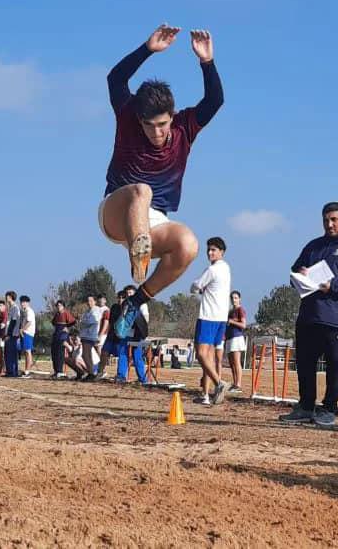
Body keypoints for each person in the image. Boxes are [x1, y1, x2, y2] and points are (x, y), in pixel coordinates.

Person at [98, 24, 224, 338]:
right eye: (149, 126)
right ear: (138, 120)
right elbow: (115, 79)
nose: (157, 133)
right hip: (118, 207)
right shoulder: (127, 117)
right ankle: (137, 257)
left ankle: (136, 302)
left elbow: (214, 101)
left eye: (163, 124)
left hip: (155, 222)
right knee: (142, 191)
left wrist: (206, 63)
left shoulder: (185, 128)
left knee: (188, 244)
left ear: (172, 115)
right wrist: (147, 49)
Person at [281, 202, 338, 427]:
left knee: (335, 366)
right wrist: (299, 275)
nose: (329, 224)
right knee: (305, 364)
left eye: (334, 220)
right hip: (309, 316)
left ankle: (329, 409)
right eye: (326, 220)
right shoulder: (313, 246)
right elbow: (293, 272)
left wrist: (333, 285)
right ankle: (306, 406)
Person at [190, 236, 231, 406]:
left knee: (201, 354)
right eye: (209, 250)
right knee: (208, 357)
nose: (210, 253)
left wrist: (197, 288)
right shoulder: (226, 268)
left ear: (222, 252)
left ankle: (219, 383)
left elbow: (196, 286)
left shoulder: (212, 269)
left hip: (208, 316)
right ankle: (205, 395)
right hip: (221, 317)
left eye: (214, 250)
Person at [106, 286, 150, 384]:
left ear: (135, 293)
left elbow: (146, 319)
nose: (129, 295)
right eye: (127, 293)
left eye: (131, 293)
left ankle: (142, 379)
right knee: (123, 354)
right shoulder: (125, 304)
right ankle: (121, 376)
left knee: (137, 356)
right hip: (125, 333)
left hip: (137, 334)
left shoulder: (142, 304)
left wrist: (142, 333)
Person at [224, 291, 247, 393]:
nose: (234, 300)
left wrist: (232, 321)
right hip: (229, 338)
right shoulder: (230, 312)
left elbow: (243, 325)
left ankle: (238, 384)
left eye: (236, 298)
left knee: (236, 361)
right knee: (231, 363)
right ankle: (234, 383)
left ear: (239, 299)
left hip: (237, 338)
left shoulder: (240, 310)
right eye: (232, 298)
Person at [78, 295, 105, 381]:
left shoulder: (97, 310)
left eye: (90, 301)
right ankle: (91, 373)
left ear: (95, 301)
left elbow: (92, 321)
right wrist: (83, 322)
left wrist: (83, 322)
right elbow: (81, 321)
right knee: (87, 355)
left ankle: (92, 373)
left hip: (91, 336)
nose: (88, 302)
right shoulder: (87, 311)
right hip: (85, 335)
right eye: (87, 301)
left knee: (85, 354)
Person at [51, 300, 76, 379]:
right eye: (57, 306)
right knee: (54, 352)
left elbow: (73, 321)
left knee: (60, 353)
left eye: (60, 305)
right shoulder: (57, 314)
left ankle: (60, 371)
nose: (58, 307)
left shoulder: (66, 313)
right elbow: (53, 322)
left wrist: (67, 327)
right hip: (56, 334)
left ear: (63, 306)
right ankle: (56, 371)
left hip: (63, 335)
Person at [3, 291, 22, 377]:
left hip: (13, 334)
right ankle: (9, 371)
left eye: (8, 296)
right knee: (7, 353)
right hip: (9, 333)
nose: (7, 298)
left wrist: (9, 334)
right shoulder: (10, 308)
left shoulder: (15, 308)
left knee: (12, 353)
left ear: (11, 297)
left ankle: (13, 372)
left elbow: (13, 322)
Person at [19, 295, 36, 377]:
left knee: (28, 351)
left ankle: (28, 371)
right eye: (21, 302)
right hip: (24, 332)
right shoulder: (24, 311)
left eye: (24, 302)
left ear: (28, 303)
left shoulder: (29, 311)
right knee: (26, 352)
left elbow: (29, 322)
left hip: (28, 333)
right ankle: (27, 369)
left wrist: (22, 329)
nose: (22, 304)